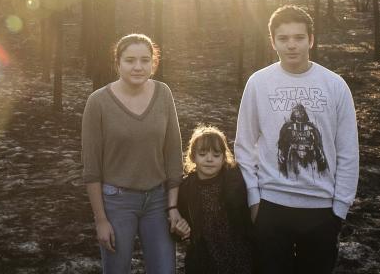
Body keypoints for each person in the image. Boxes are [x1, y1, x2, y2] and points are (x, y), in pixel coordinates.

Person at [234, 5, 359, 274]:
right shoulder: (259, 83)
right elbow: (244, 145)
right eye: (283, 38)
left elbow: (348, 150)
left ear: (311, 40)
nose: (292, 45)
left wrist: (340, 208)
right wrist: (254, 199)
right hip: (271, 207)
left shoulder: (335, 85)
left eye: (299, 38)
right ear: (273, 41)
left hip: (322, 210)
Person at [82, 33, 186, 274]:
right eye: (130, 60)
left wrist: (172, 207)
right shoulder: (97, 102)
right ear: (117, 63)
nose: (138, 67)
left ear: (153, 63)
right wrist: (101, 220)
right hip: (117, 202)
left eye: (145, 60)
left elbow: (173, 153)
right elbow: (91, 168)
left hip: (158, 202)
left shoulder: (163, 94)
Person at [175, 125, 254, 274]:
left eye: (216, 155)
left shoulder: (235, 180)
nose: (209, 159)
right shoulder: (186, 188)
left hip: (238, 254)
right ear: (193, 156)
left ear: (224, 157)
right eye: (203, 154)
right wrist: (180, 229)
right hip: (204, 258)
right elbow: (179, 226)